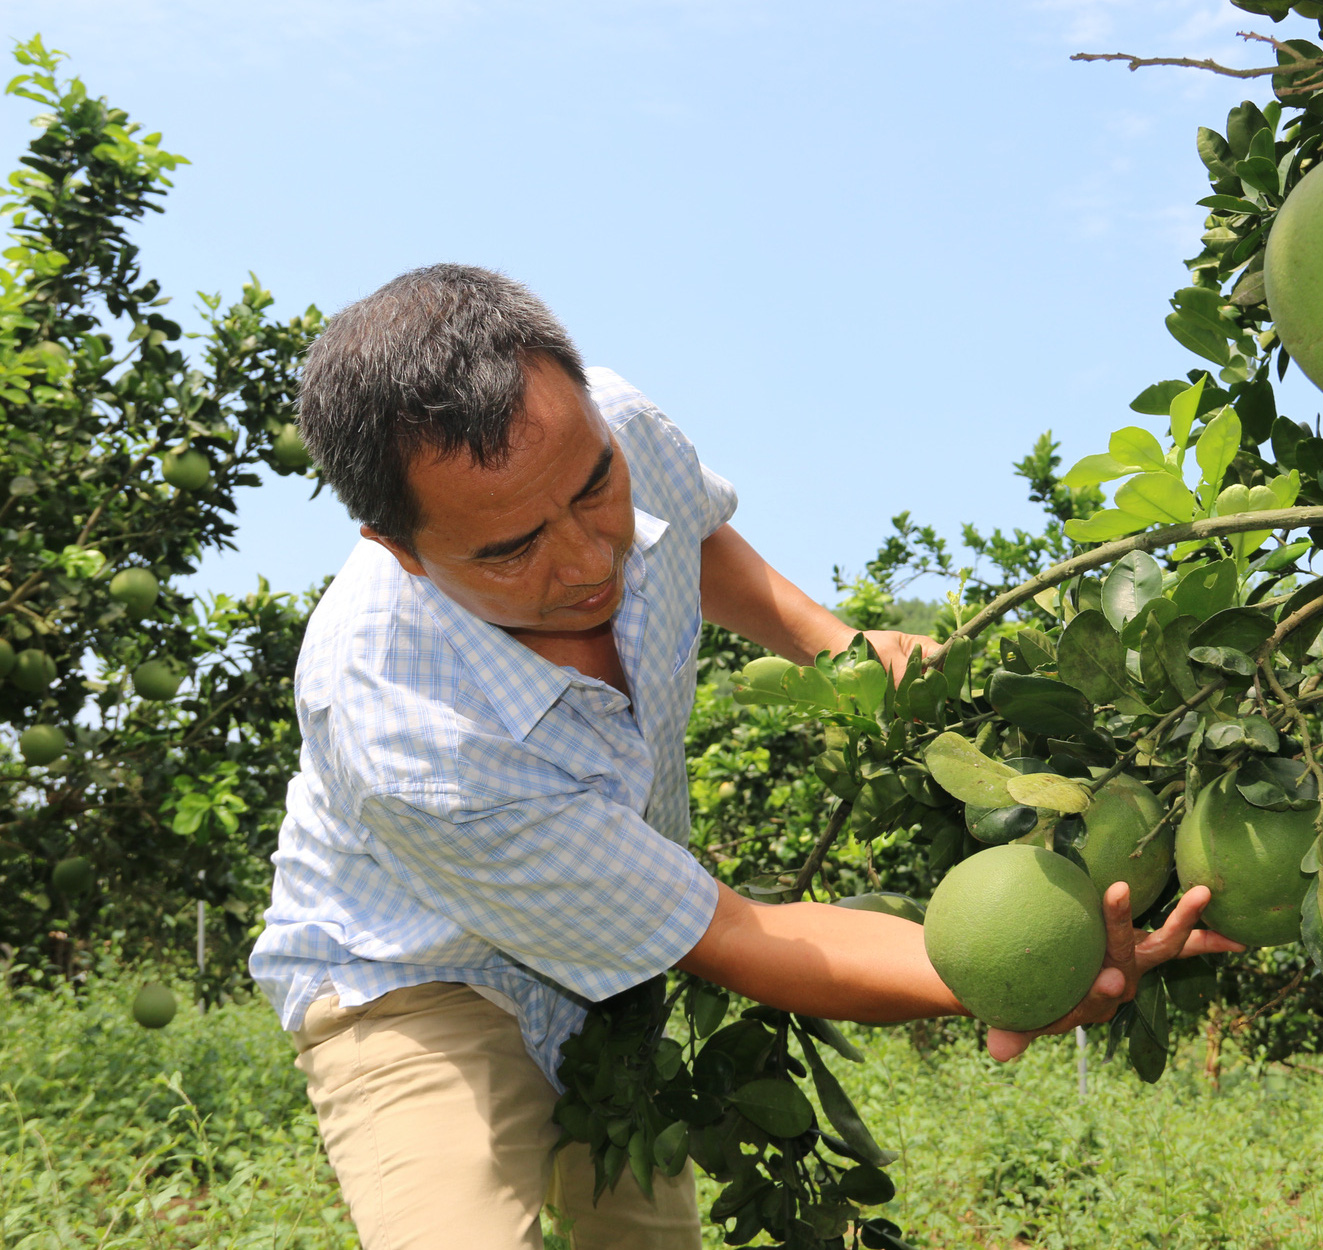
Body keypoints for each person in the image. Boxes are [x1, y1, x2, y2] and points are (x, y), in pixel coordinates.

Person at [248, 264, 1235, 1250]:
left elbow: (695, 535)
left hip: (613, 963)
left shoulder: (624, 426)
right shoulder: (398, 725)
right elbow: (743, 936)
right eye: (511, 549)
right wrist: (1026, 967)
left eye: (597, 490)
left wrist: (839, 649)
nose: (592, 561)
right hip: (414, 974)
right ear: (401, 548)